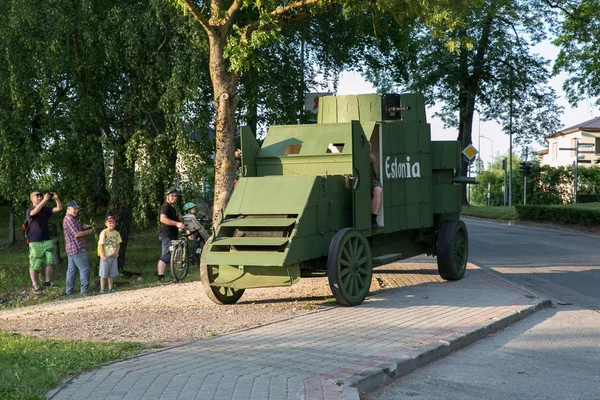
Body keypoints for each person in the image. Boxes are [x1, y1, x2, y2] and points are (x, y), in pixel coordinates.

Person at [26, 191, 63, 292]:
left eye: (40, 195)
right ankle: (35, 284)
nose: (39, 197)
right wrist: (44, 200)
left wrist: (56, 198)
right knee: (35, 263)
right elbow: (34, 212)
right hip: (35, 241)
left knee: (50, 261)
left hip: (47, 239)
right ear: (31, 198)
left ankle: (47, 281)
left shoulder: (45, 210)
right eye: (36, 195)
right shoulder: (30, 210)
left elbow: (59, 208)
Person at [63, 200, 94, 295]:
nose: (76, 210)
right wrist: (88, 232)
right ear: (68, 209)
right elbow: (76, 234)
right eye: (74, 208)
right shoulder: (70, 219)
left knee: (71, 270)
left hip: (71, 248)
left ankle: (69, 291)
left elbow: (74, 231)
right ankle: (84, 291)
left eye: (77, 209)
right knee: (84, 268)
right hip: (77, 248)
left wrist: (83, 228)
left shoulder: (70, 218)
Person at [157, 187, 185, 284]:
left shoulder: (172, 208)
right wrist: (177, 224)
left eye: (176, 196)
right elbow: (163, 219)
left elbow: (174, 218)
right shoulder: (166, 207)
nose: (174, 197)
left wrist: (181, 219)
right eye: (172, 195)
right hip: (167, 235)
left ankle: (163, 278)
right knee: (165, 256)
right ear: (167, 197)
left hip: (171, 235)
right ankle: (160, 278)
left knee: (169, 256)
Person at [97, 216, 122, 294]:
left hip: (113, 256)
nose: (111, 224)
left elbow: (118, 244)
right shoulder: (104, 232)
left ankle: (110, 288)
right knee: (103, 273)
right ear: (106, 224)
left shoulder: (116, 233)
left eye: (113, 222)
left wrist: (116, 252)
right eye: (110, 223)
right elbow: (101, 244)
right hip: (106, 256)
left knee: (111, 273)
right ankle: (102, 289)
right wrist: (103, 255)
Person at [370, 144, 383, 229]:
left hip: (371, 179)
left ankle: (373, 218)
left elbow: (373, 159)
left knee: (378, 190)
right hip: (357, 178)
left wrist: (368, 150)